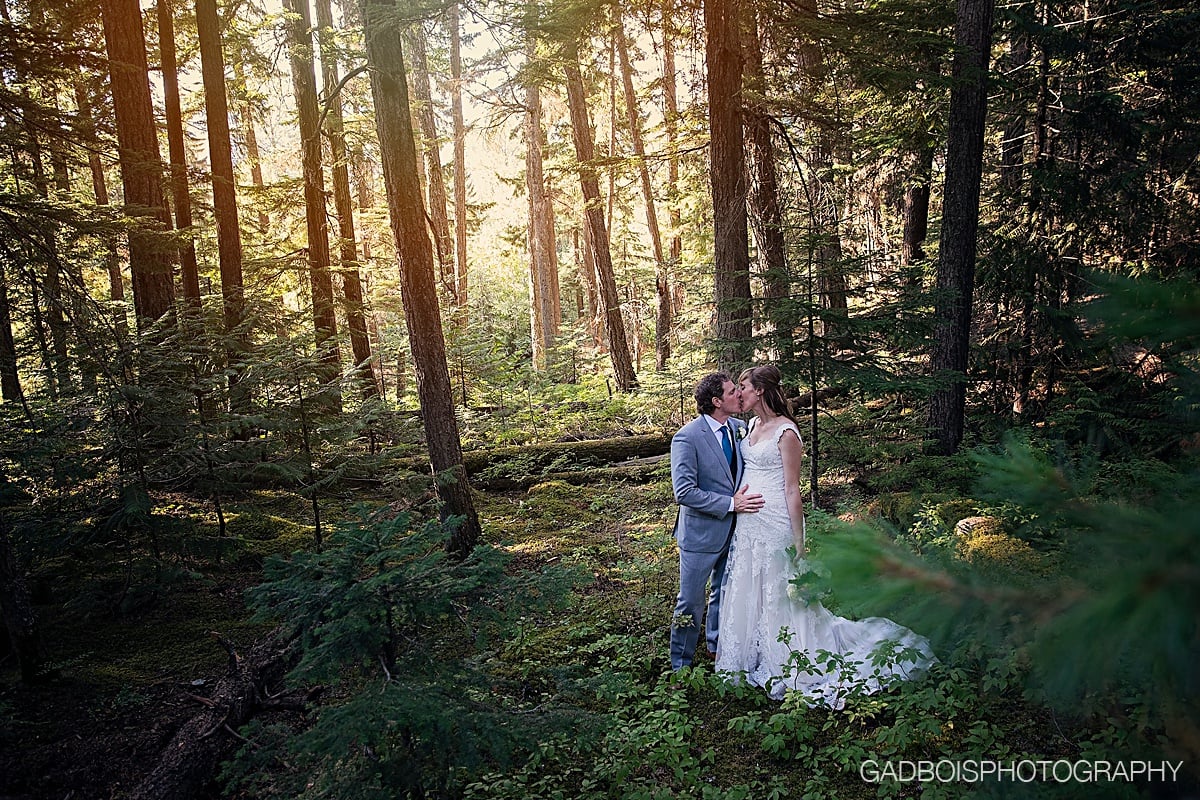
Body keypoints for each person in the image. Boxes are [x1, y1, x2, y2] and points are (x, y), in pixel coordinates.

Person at [715, 365, 935, 706]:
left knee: (777, 587)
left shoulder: (786, 432)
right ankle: (750, 655)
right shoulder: (752, 425)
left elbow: (792, 489)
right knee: (750, 583)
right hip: (748, 521)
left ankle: (788, 657)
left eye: (742, 386)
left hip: (774, 520)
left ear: (759, 390)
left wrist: (799, 543)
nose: (738, 392)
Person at [669, 372, 764, 670]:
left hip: (735, 532)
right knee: (690, 601)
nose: (739, 394)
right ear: (716, 401)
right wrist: (730, 504)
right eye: (732, 391)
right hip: (699, 536)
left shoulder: (739, 428)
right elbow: (684, 492)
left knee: (724, 592)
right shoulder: (687, 437)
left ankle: (716, 646)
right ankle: (680, 662)